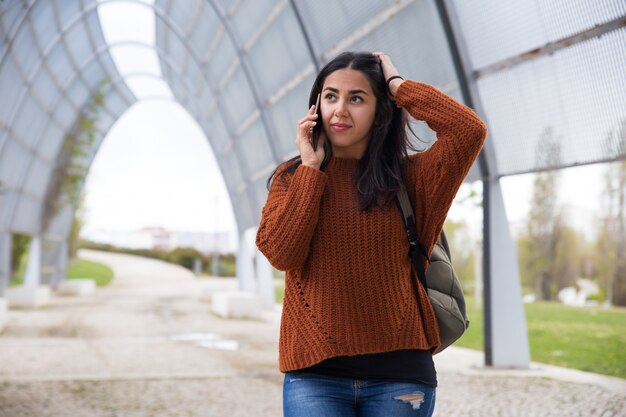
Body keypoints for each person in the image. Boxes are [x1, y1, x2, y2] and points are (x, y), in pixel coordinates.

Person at [256, 51, 487, 417]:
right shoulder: (292, 179)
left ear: (382, 110)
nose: (340, 110)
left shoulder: (413, 179)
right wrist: (311, 171)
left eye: (357, 98)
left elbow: (468, 130)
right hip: (315, 376)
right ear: (315, 105)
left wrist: (398, 86)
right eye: (330, 96)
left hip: (401, 375)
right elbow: (281, 254)